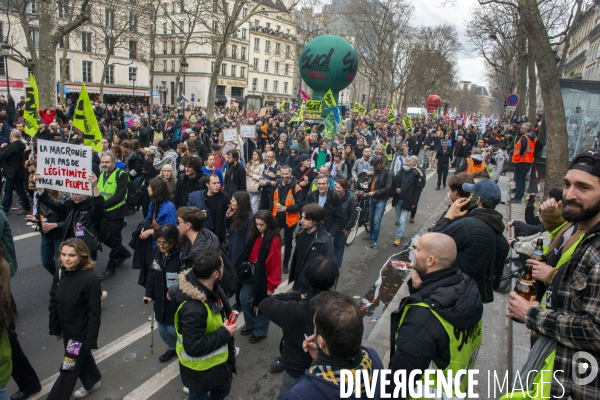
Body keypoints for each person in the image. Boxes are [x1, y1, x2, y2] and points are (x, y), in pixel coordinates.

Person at [389, 233, 483, 398]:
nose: (414, 253)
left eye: (418, 250)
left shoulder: (422, 318)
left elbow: (400, 379)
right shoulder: (467, 287)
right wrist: (419, 289)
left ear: (430, 260)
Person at [279, 291, 384, 400]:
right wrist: (321, 358)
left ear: (321, 341)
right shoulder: (373, 357)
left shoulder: (301, 394)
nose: (314, 331)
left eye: (315, 327)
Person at [260, 257, 340, 391]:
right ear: (332, 282)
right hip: (327, 368)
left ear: (308, 279)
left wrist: (295, 296)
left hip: (296, 371)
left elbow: (265, 304)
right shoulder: (339, 307)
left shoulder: (297, 309)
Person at [173, 250, 237, 400]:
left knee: (223, 391)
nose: (224, 270)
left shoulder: (211, 288)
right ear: (215, 274)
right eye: (222, 267)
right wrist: (225, 332)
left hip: (215, 368)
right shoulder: (193, 310)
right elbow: (194, 347)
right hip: (200, 374)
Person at [433, 179, 509, 303]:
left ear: (477, 200)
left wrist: (448, 216)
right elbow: (495, 283)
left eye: (471, 195)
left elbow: (433, 243)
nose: (469, 198)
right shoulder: (503, 243)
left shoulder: (466, 225)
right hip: (474, 303)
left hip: (448, 296)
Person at [47, 238, 102, 400]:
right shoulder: (60, 274)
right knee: (81, 359)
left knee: (68, 369)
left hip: (79, 336)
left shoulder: (90, 280)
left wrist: (89, 340)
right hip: (67, 330)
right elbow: (53, 300)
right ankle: (92, 380)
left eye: (72, 255)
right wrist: (55, 327)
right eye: (64, 254)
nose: (66, 259)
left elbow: (94, 312)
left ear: (82, 257)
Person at [237, 210, 282, 344]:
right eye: (257, 224)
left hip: (264, 275)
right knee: (244, 299)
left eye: (261, 224)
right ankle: (251, 324)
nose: (258, 227)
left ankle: (260, 331)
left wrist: (271, 285)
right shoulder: (255, 234)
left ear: (268, 223)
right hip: (251, 272)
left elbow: (275, 264)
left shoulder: (274, 240)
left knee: (263, 305)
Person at [143, 224, 184, 364]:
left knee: (173, 329)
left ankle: (184, 349)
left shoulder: (181, 254)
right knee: (161, 328)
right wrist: (149, 293)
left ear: (173, 241)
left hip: (175, 299)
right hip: (160, 297)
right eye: (158, 242)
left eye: (164, 243)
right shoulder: (157, 252)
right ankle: (172, 348)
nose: (161, 245)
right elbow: (152, 274)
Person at [97, 153, 132, 280]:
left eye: (107, 162)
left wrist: (102, 205)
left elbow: (120, 195)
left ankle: (110, 269)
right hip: (104, 213)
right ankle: (123, 252)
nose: (104, 165)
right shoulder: (102, 174)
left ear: (113, 163)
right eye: (103, 162)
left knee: (115, 240)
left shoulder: (121, 175)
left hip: (116, 213)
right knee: (103, 237)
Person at [288, 204, 335, 292]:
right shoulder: (300, 233)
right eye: (301, 217)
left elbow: (330, 268)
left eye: (306, 219)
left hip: (311, 289)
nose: (301, 221)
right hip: (298, 283)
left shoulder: (325, 240)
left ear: (315, 221)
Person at [273, 165, 304, 274]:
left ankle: (285, 264)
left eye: (286, 174)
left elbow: (300, 204)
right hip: (277, 216)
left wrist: (287, 209)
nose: (284, 176)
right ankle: (273, 261)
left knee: (288, 242)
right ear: (280, 174)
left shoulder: (296, 187)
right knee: (272, 239)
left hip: (289, 218)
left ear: (290, 173)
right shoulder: (277, 183)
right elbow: (272, 199)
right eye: (283, 174)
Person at [188, 174, 231, 243]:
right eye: (214, 183)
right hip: (203, 234)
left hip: (219, 234)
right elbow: (189, 214)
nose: (217, 185)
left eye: (218, 183)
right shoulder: (198, 197)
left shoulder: (224, 197)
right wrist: (199, 214)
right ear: (207, 184)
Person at [391, 159, 424, 246]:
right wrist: (396, 189)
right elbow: (393, 184)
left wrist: (414, 203)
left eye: (407, 164)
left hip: (408, 200)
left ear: (411, 165)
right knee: (399, 220)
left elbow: (418, 190)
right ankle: (401, 231)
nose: (405, 166)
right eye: (404, 164)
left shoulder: (416, 175)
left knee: (402, 220)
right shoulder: (399, 173)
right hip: (398, 199)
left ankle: (398, 237)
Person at [363, 156, 392, 249]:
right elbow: (374, 182)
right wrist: (369, 184)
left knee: (376, 220)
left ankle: (374, 240)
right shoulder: (377, 171)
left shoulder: (388, 172)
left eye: (375, 166)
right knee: (371, 218)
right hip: (373, 198)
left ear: (380, 164)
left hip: (381, 200)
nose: (374, 168)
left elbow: (387, 188)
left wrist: (375, 192)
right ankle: (371, 235)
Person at [139, 178, 177, 247]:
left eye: (149, 187)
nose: (147, 188)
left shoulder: (169, 207)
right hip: (154, 243)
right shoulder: (153, 203)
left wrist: (150, 232)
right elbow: (148, 219)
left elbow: (171, 230)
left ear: (155, 189)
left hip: (165, 246)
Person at [0, 130, 30, 215]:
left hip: (12, 171)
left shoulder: (13, 145)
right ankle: (26, 206)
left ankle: (5, 208)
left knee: (8, 190)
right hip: (17, 170)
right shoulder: (20, 144)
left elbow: (3, 156)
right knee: (20, 190)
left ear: (11, 136)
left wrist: (2, 148)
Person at [510, 122, 537, 203]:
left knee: (519, 181)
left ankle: (518, 198)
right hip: (527, 161)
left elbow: (523, 147)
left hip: (521, 161)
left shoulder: (524, 138)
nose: (520, 128)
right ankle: (519, 196)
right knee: (522, 180)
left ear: (525, 129)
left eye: (522, 127)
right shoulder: (533, 137)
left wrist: (521, 154)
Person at [333, 179, 357, 266]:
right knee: (334, 245)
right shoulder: (335, 196)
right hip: (335, 226)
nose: (336, 189)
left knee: (340, 246)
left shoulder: (351, 199)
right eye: (336, 187)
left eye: (338, 188)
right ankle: (333, 262)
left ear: (344, 189)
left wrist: (347, 228)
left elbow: (353, 214)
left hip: (344, 228)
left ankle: (337, 264)